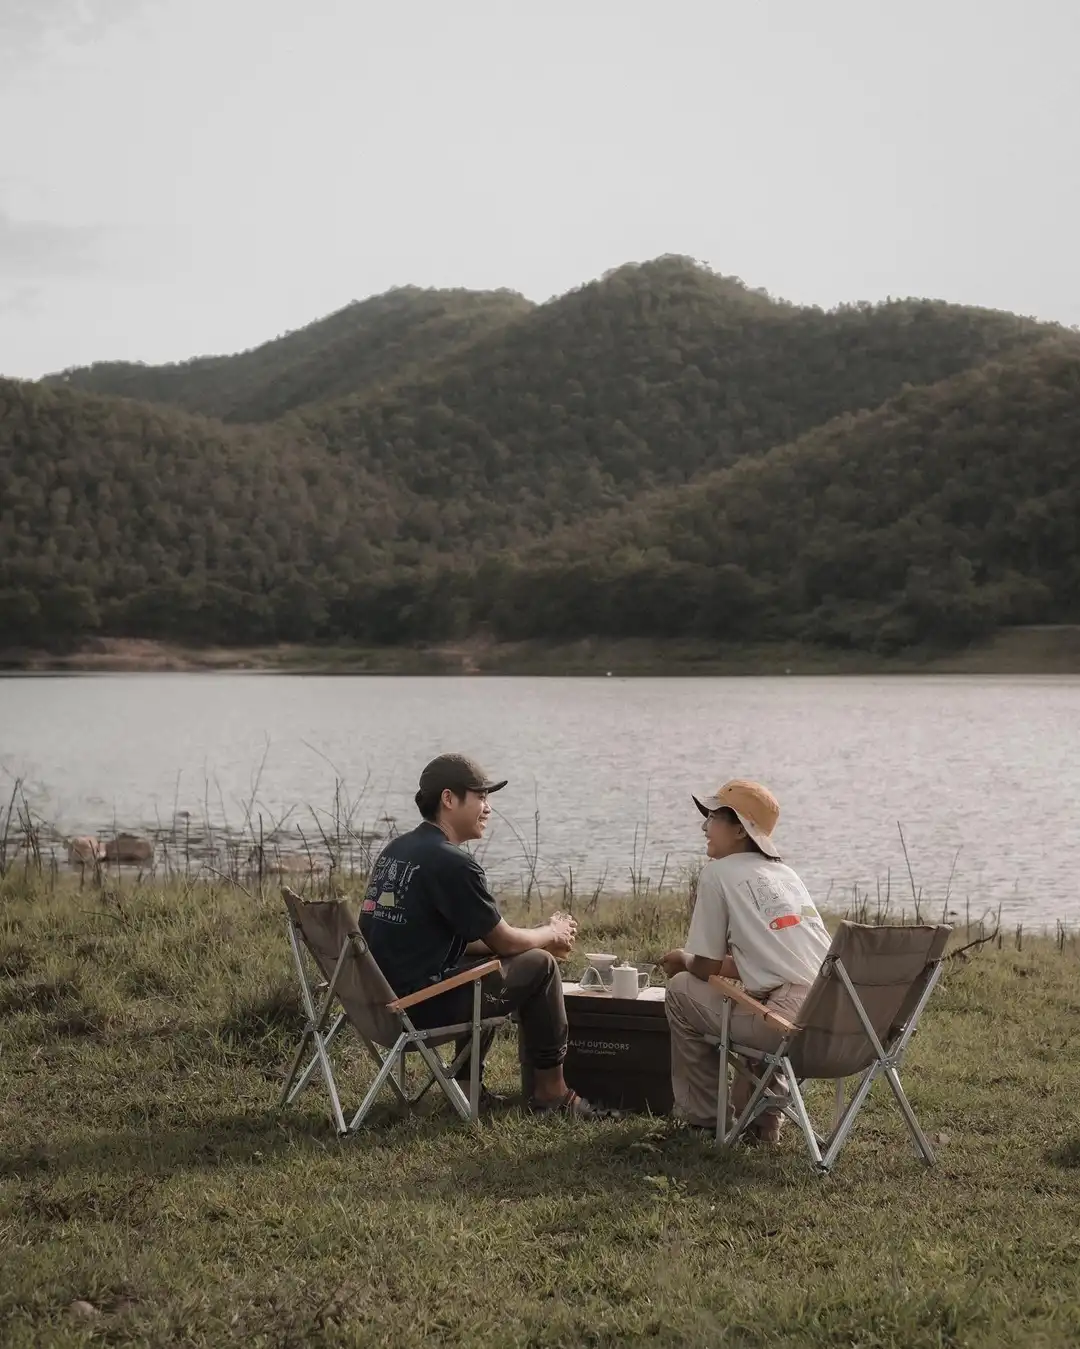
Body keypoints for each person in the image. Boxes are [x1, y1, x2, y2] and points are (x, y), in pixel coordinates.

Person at [360, 752, 602, 1117]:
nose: (488, 808)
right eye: (481, 797)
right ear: (448, 799)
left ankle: (466, 1088)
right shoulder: (453, 863)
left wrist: (525, 940)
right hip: (415, 1010)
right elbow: (505, 941)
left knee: (490, 960)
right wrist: (551, 933)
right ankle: (553, 1094)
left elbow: (447, 936)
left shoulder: (398, 850)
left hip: (375, 1004)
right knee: (541, 965)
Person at [660, 779, 831, 1142]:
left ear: (740, 829)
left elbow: (704, 967)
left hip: (787, 1026)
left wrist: (683, 959)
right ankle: (761, 1124)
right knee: (758, 995)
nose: (704, 826)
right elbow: (771, 964)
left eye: (713, 817)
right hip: (838, 1025)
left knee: (680, 990)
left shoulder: (717, 874)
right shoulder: (787, 876)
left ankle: (705, 1121)